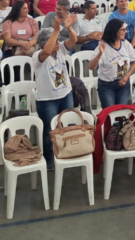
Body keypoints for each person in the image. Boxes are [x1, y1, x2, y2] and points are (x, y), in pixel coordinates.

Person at [32, 16, 78, 169]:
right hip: (47, 99)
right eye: (55, 40)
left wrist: (69, 29)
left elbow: (73, 42)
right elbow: (46, 51)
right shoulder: (38, 56)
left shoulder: (60, 50)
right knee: (49, 131)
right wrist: (56, 31)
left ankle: (66, 153)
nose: (58, 43)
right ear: (45, 42)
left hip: (66, 94)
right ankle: (49, 159)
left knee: (66, 125)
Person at [89, 19, 135, 108]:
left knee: (121, 113)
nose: (126, 32)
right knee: (110, 114)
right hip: (107, 86)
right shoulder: (103, 46)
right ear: (115, 30)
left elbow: (133, 63)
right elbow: (91, 67)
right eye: (123, 29)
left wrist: (127, 76)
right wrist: (100, 54)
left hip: (123, 84)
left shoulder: (126, 45)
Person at [109, 0, 135, 67]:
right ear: (117, 3)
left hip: (133, 40)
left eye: (126, 1)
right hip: (119, 41)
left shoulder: (134, 15)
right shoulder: (113, 16)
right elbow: (113, 34)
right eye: (121, 1)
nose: (124, 3)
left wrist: (130, 48)